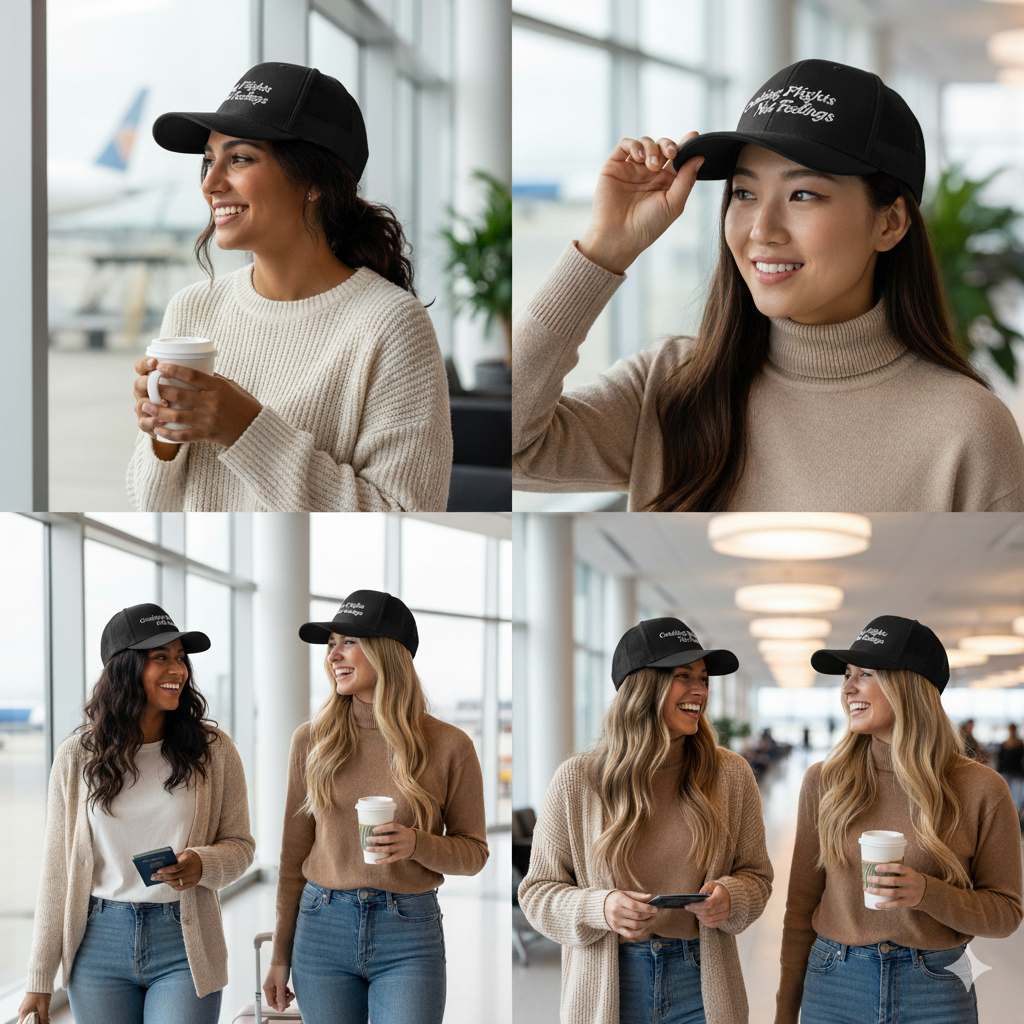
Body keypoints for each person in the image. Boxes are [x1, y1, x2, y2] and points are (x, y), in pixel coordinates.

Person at [513, 59, 1024, 511]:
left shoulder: (968, 431)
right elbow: (509, 447)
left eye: (802, 194)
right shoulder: (671, 387)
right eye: (744, 193)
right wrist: (605, 248)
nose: (762, 230)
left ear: (889, 223)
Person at [128, 63, 452, 512]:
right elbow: (151, 507)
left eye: (239, 158)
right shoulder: (192, 308)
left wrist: (245, 429)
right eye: (209, 158)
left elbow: (405, 513)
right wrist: (163, 436)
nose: (210, 183)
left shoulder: (392, 325)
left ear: (316, 180)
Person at [519, 618, 773, 1024]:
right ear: (642, 688)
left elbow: (757, 877)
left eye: (703, 679)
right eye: (682, 676)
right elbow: (537, 893)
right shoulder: (578, 779)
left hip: (701, 986)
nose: (699, 691)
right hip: (611, 988)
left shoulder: (731, 775)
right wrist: (600, 907)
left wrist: (731, 897)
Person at [776, 616, 1023, 1024]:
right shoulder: (825, 781)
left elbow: (1006, 914)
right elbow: (800, 907)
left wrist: (927, 892)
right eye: (847, 675)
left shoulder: (981, 789)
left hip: (937, 987)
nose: (847, 688)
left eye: (865, 675)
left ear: (908, 687)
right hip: (835, 982)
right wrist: (785, 1012)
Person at [18, 603, 255, 1024]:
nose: (177, 669)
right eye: (160, 657)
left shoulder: (214, 749)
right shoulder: (77, 757)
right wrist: (39, 979)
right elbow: (58, 869)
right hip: (98, 944)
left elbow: (241, 845)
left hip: (184, 940)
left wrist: (204, 863)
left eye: (181, 657)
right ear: (125, 668)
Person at [263, 590, 489, 1024]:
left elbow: (475, 854)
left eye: (349, 642)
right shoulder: (311, 740)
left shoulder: (450, 746)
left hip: (408, 930)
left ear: (389, 653)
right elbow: (292, 857)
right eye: (331, 644)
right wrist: (279, 953)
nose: (334, 655)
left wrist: (416, 844)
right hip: (321, 925)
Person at [996, 723, 1024, 814]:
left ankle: (1007, 814)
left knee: (1007, 796)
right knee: (1015, 798)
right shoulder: (1019, 743)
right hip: (1015, 771)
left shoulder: (1005, 744)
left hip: (1008, 771)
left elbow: (1000, 759)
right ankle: (1013, 816)